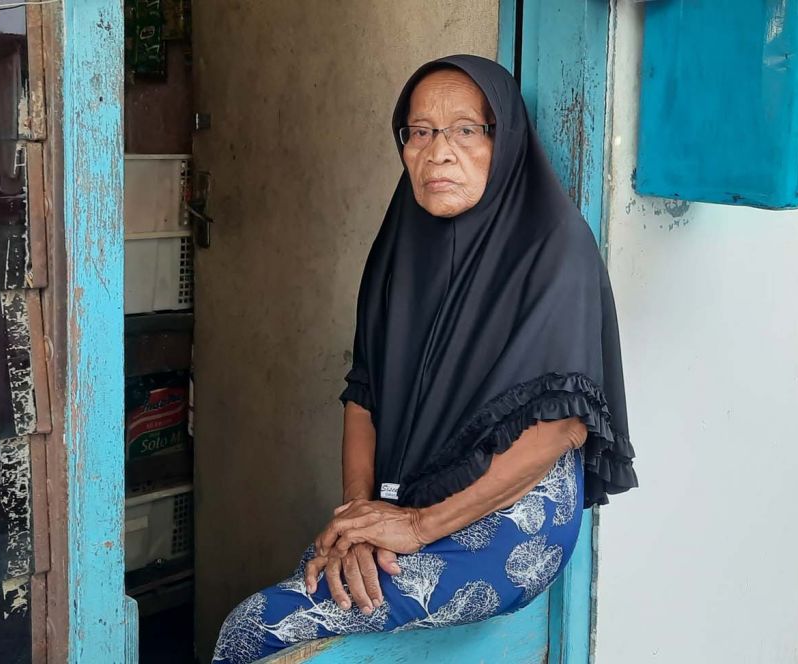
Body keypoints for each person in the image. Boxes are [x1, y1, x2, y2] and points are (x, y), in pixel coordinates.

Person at [212, 54, 637, 663]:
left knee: (253, 628)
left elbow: (562, 427)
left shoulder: (552, 248)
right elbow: (364, 395)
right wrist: (360, 518)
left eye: (467, 130)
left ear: (504, 141)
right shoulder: (397, 250)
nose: (438, 151)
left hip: (511, 516)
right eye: (419, 131)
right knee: (322, 567)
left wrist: (416, 527)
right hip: (406, 495)